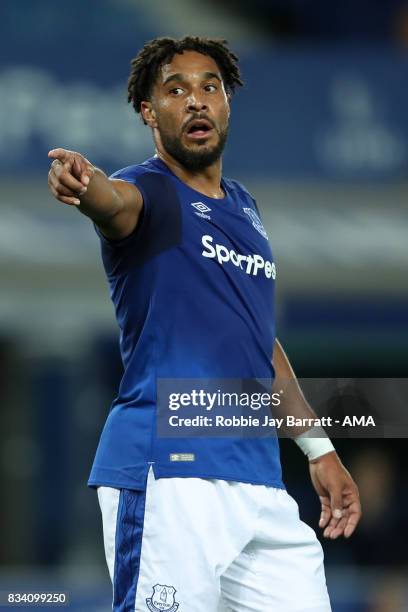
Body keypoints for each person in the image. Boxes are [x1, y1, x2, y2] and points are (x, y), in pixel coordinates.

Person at [47, 36, 361, 612]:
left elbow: (258, 343)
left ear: (227, 102)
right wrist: (84, 186)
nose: (196, 101)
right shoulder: (148, 190)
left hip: (260, 484)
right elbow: (112, 203)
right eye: (176, 89)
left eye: (209, 87)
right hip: (170, 475)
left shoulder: (245, 208)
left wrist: (318, 449)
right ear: (149, 111)